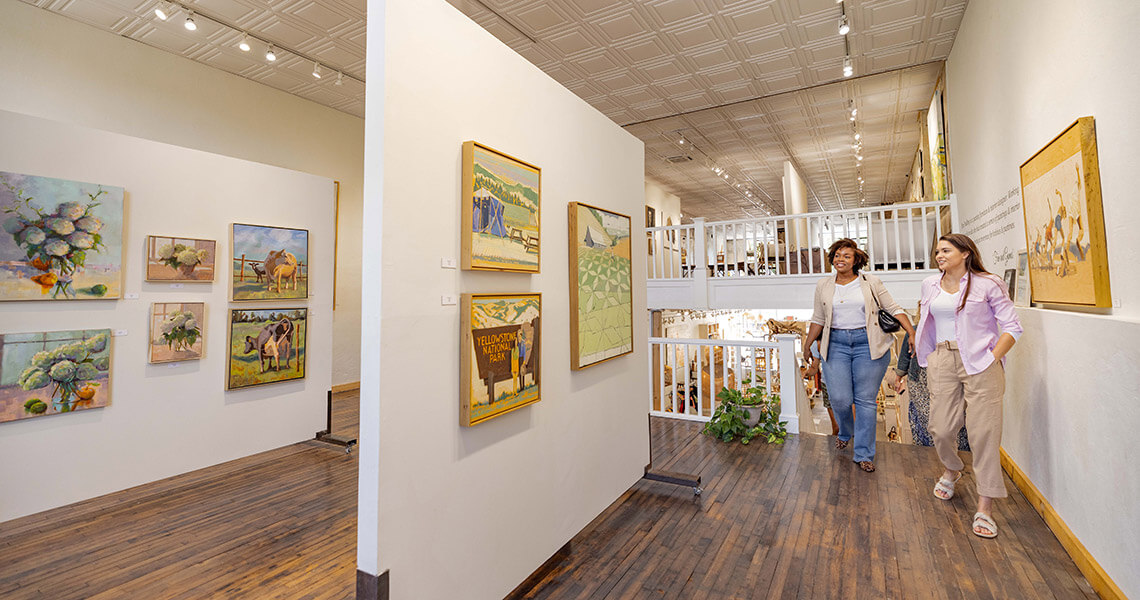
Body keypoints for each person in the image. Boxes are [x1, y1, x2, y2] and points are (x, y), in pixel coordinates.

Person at [915, 234, 1022, 539]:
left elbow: (1012, 326)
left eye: (946, 250)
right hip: (942, 359)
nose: (939, 255)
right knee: (940, 427)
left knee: (983, 433)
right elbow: (927, 320)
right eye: (937, 251)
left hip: (981, 362)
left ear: (965, 253)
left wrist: (993, 358)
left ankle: (985, 506)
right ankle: (952, 468)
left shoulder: (988, 283)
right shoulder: (929, 284)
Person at [803, 239, 916, 473]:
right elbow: (818, 318)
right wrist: (807, 344)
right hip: (835, 344)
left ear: (856, 260)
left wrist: (912, 332)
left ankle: (864, 453)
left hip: (868, 344)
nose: (840, 259)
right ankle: (845, 431)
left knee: (865, 401)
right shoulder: (824, 285)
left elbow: (894, 308)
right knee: (840, 399)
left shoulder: (870, 282)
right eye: (837, 255)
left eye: (846, 256)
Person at [891, 330, 969, 450]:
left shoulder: (957, 331)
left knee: (951, 416)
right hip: (920, 382)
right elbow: (906, 355)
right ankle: (930, 452)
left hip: (947, 380)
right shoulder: (916, 330)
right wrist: (899, 376)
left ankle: (952, 452)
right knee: (926, 419)